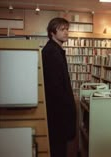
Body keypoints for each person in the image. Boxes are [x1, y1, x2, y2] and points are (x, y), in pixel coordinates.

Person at [42, 17, 77, 157]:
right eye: (62, 29)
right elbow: (55, 88)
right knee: (57, 150)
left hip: (58, 114)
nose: (66, 32)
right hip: (57, 115)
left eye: (67, 29)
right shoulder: (52, 52)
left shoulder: (55, 50)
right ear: (52, 32)